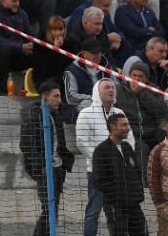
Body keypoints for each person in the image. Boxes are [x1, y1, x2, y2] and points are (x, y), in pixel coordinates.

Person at [75, 78, 132, 236]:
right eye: (107, 87)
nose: (111, 90)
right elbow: (81, 142)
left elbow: (130, 138)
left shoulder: (119, 113)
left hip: (118, 173)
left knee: (116, 212)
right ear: (97, 92)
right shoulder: (85, 114)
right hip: (96, 172)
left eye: (113, 87)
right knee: (93, 212)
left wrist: (124, 161)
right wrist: (102, 162)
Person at [21, 82, 73, 236]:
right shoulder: (33, 116)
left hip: (57, 168)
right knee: (49, 209)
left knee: (53, 209)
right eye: (55, 96)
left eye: (60, 96)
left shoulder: (55, 115)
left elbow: (60, 143)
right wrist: (40, 166)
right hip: (44, 170)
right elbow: (26, 145)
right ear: (44, 97)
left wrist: (64, 164)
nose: (59, 100)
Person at [91, 113, 146, 236]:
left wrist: (136, 194)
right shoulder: (101, 151)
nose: (128, 128)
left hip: (133, 203)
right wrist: (117, 196)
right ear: (113, 127)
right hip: (115, 205)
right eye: (124, 125)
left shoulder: (126, 147)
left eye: (128, 125)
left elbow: (136, 171)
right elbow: (99, 180)